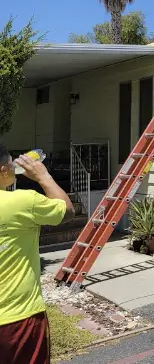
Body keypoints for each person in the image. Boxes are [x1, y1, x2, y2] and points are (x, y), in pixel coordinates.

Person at [0, 144, 75, 364]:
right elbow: (67, 211)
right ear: (4, 170)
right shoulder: (23, 202)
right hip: (19, 318)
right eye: (11, 164)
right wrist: (43, 176)